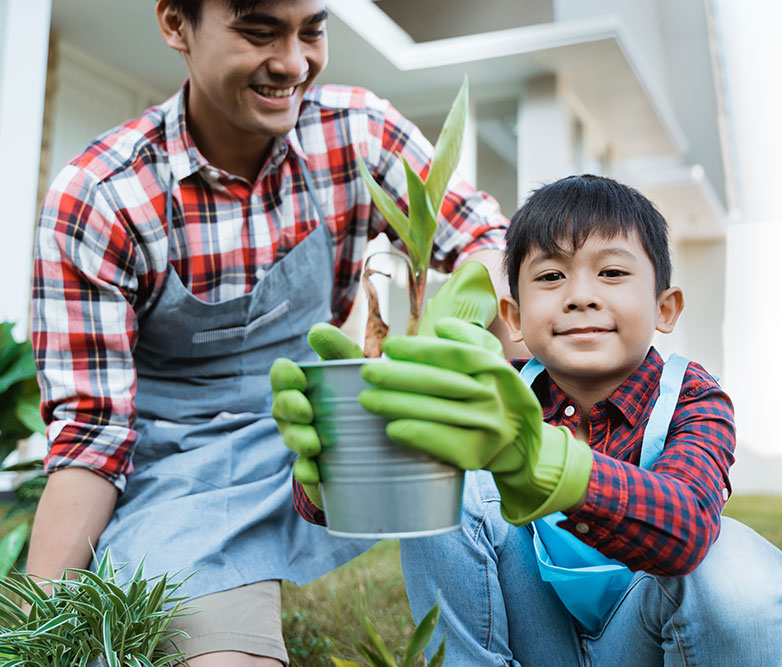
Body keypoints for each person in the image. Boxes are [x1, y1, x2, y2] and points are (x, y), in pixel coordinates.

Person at [27, 0, 508, 665]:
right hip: (185, 480)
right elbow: (91, 437)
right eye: (259, 32)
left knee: (499, 511)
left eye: (312, 30)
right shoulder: (104, 197)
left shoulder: (357, 133)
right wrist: (38, 627)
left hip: (329, 436)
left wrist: (449, 328)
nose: (293, 62)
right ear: (175, 25)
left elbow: (487, 239)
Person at [278, 174, 782, 665]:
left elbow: (687, 525)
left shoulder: (692, 399)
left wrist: (549, 465)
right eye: (550, 276)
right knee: (450, 468)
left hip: (645, 645)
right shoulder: (496, 392)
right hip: (540, 639)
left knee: (735, 568)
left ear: (666, 308)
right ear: (514, 318)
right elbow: (383, 491)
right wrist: (339, 457)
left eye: (612, 272)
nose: (580, 296)